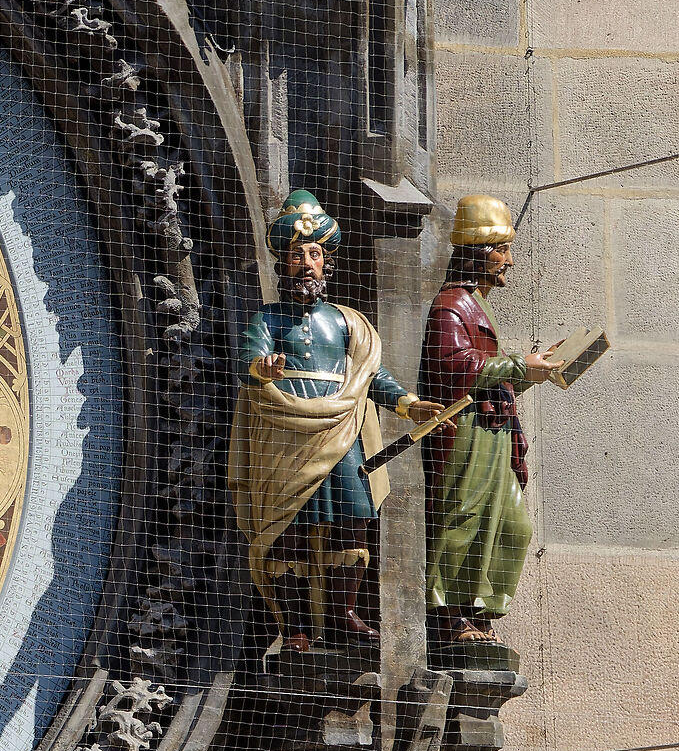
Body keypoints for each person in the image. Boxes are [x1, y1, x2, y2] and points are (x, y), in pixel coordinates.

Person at [227, 191, 443, 652]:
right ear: (283, 264)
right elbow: (248, 357)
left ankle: (344, 613)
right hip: (285, 432)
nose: (306, 263)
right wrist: (260, 368)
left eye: (314, 254)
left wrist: (408, 404)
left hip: (342, 433)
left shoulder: (349, 323)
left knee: (354, 517)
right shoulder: (267, 317)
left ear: (327, 263)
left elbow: (369, 376)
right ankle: (295, 626)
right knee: (288, 526)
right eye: (296, 255)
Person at [419, 196, 562, 649]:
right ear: (479, 251)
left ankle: (483, 609)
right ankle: (450, 615)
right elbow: (454, 364)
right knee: (464, 518)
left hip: (494, 430)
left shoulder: (477, 304)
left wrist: (530, 372)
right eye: (502, 249)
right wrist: (520, 364)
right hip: (466, 432)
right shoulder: (451, 306)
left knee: (512, 525)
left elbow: (488, 369)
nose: (509, 260)